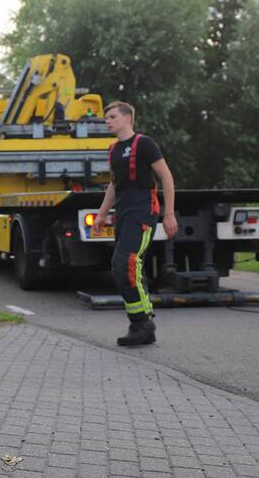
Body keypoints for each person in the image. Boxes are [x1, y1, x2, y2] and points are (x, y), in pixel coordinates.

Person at [93, 101, 178, 347]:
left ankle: (142, 323)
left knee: (125, 263)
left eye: (112, 116)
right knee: (121, 267)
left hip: (143, 213)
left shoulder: (145, 144)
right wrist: (101, 214)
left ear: (127, 118)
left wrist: (169, 214)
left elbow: (166, 176)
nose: (107, 121)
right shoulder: (114, 149)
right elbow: (114, 184)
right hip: (124, 215)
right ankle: (141, 324)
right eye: (106, 117)